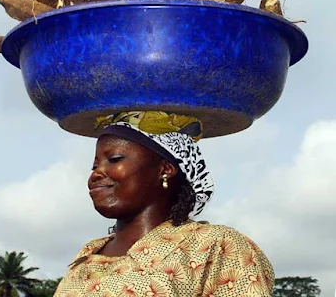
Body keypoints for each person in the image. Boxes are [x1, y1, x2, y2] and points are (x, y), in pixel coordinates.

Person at [54, 114, 274, 297]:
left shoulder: (215, 246)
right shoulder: (87, 255)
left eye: (115, 159)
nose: (95, 174)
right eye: (94, 165)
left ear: (165, 169)